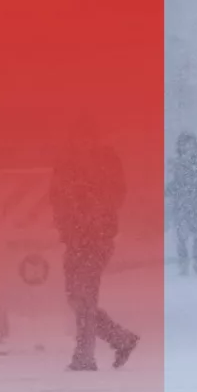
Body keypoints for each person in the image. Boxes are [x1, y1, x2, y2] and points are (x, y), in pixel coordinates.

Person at [49, 120, 139, 371]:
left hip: (95, 239)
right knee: (75, 297)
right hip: (75, 237)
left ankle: (84, 355)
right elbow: (55, 195)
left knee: (84, 296)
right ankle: (121, 339)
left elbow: (116, 194)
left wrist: (94, 210)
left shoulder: (106, 160)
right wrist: (66, 219)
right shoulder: (66, 162)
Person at [167, 132, 197, 276]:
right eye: (185, 143)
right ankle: (184, 262)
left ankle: (196, 260)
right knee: (181, 235)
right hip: (181, 203)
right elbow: (174, 183)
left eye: (190, 143)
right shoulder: (177, 163)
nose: (188, 146)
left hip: (195, 203)